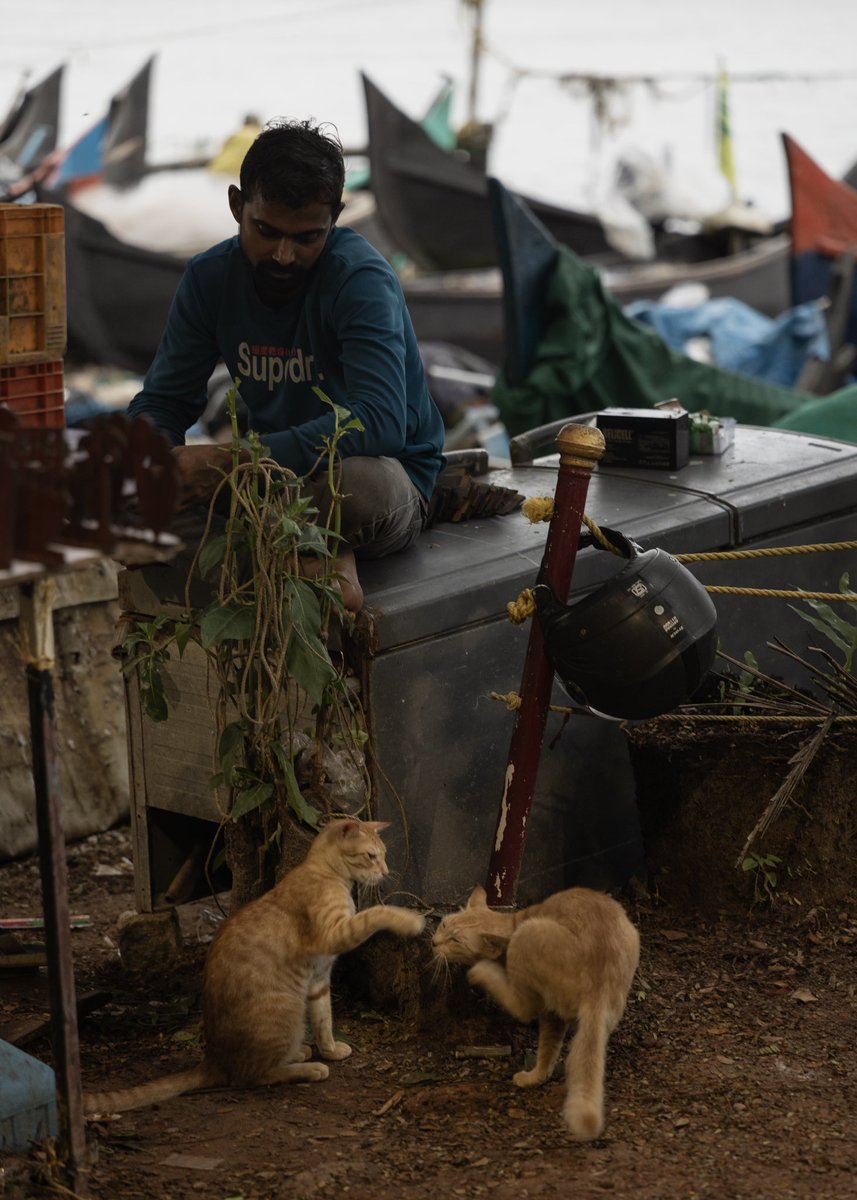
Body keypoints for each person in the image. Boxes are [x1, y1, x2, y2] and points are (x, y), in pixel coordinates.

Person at [128, 117, 445, 613]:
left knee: (354, 486)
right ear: (237, 206)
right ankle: (313, 557)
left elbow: (382, 422)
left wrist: (228, 462)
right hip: (271, 486)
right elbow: (164, 401)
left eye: (306, 239)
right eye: (266, 231)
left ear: (335, 218)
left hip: (377, 480)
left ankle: (298, 551)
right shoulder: (209, 278)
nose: (282, 255)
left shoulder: (360, 280)